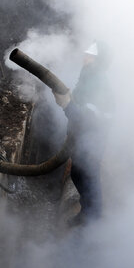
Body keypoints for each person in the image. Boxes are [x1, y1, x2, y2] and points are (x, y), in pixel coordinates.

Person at [53, 42, 114, 224]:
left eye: (90, 56)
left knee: (89, 176)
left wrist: (66, 104)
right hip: (81, 136)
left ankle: (93, 223)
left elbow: (86, 118)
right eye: (85, 54)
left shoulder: (100, 83)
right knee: (77, 174)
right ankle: (86, 212)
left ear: (98, 61)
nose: (85, 58)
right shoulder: (87, 75)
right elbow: (80, 104)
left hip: (92, 138)